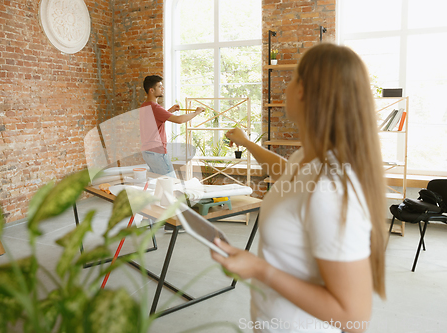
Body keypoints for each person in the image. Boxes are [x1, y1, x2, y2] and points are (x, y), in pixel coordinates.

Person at [212, 44, 387, 333]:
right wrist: (247, 143)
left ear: (303, 90)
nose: (286, 87)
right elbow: (285, 172)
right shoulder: (308, 159)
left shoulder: (330, 189)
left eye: (292, 78)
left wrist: (260, 270)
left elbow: (353, 316)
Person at [140, 75, 203, 178]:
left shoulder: (145, 106)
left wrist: (169, 111)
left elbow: (155, 121)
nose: (162, 89)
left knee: (158, 182)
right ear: (151, 90)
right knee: (171, 183)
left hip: (147, 152)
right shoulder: (155, 108)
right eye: (160, 86)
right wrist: (196, 112)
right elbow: (179, 120)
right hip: (157, 152)